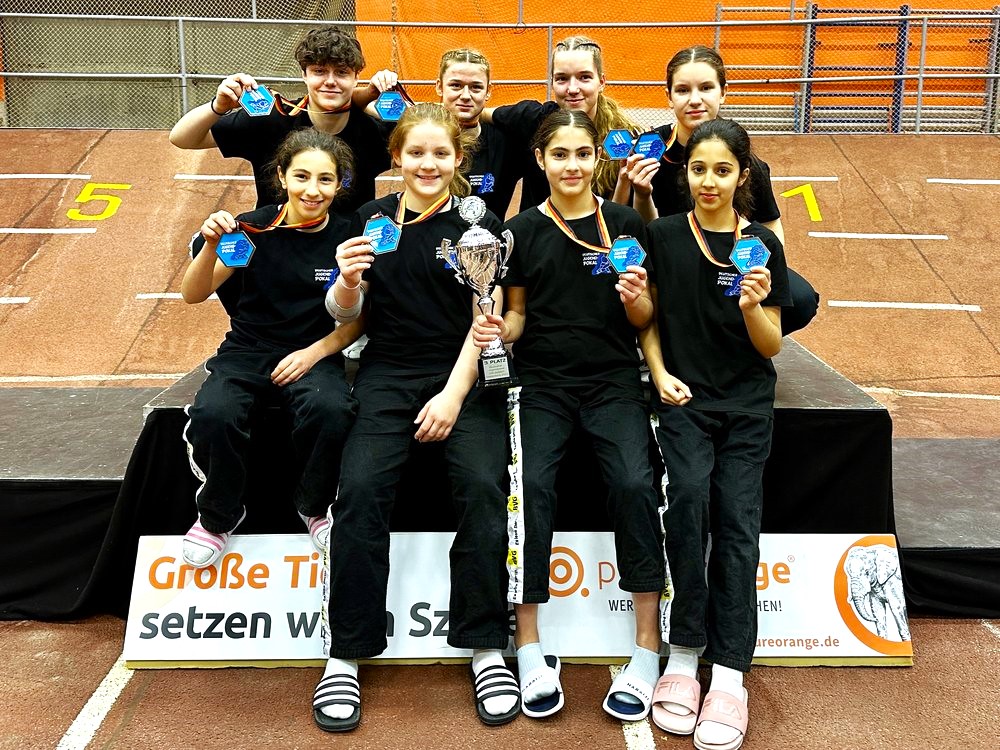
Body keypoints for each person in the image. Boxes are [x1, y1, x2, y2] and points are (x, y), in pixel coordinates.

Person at [313, 103, 519, 732]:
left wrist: (453, 396)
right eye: (416, 153)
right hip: (388, 372)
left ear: (458, 159)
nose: (428, 164)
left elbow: (487, 320)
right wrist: (347, 282)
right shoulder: (369, 221)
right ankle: (346, 652)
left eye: (441, 154)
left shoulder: (479, 223)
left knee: (483, 487)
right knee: (359, 492)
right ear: (396, 156)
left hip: (464, 372)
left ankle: (486, 646)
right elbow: (345, 314)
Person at [473, 109, 664, 721]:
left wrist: (635, 300)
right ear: (540, 160)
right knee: (529, 487)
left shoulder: (625, 223)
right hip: (543, 384)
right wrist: (501, 330)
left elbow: (645, 318)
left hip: (613, 382)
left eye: (583, 154)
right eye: (560, 155)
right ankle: (529, 645)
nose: (573, 165)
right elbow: (519, 313)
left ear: (597, 157)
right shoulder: (519, 230)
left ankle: (647, 646)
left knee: (635, 484)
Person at [639, 118, 792, 750]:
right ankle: (683, 653)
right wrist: (658, 373)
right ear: (686, 173)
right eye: (699, 169)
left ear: (742, 176)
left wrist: (752, 306)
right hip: (684, 401)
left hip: (747, 405)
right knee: (687, 503)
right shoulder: (662, 235)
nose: (709, 180)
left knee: (737, 522)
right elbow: (645, 318)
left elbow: (772, 344)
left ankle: (729, 672)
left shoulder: (763, 245)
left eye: (722, 170)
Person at [179, 129, 360, 569]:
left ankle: (314, 508)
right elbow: (193, 294)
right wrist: (209, 246)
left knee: (331, 410)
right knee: (214, 414)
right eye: (301, 176)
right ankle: (218, 516)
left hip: (313, 351)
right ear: (281, 176)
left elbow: (359, 319)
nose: (312, 190)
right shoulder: (251, 228)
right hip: (248, 350)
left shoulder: (349, 234)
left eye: (325, 179)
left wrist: (314, 353)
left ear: (339, 184)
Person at [170, 27, 393, 316]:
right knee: (210, 243)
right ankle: (249, 321)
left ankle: (353, 328)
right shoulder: (272, 120)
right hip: (275, 242)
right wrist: (219, 106)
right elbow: (182, 138)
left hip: (340, 246)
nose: (330, 81)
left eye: (341, 73)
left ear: (356, 78)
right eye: (319, 71)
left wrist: (373, 100)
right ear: (304, 75)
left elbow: (427, 147)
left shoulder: (372, 130)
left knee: (390, 252)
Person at [625, 45, 818, 335]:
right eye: (682, 90)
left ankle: (736, 341)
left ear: (723, 92)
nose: (695, 100)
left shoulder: (742, 156)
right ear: (668, 96)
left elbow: (770, 224)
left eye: (706, 88)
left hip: (727, 265)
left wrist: (766, 274)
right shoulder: (649, 151)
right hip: (672, 265)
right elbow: (643, 233)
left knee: (800, 299)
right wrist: (641, 193)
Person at [482, 35, 641, 212]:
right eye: (562, 78)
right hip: (538, 228)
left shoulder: (623, 137)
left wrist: (624, 181)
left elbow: (618, 217)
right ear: (552, 82)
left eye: (584, 77)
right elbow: (479, 113)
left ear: (601, 82)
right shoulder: (532, 119)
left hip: (599, 228)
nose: (572, 89)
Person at [356, 48, 519, 219]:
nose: (465, 95)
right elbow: (350, 108)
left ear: (488, 91)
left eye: (476, 87)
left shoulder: (507, 140)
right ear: (439, 86)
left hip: (484, 234)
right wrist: (369, 93)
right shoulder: (411, 130)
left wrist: (486, 114)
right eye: (456, 85)